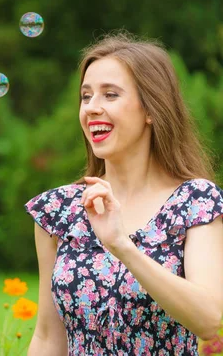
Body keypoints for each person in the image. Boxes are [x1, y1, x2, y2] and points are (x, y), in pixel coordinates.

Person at [24, 32, 223, 355]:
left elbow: (209, 320)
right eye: (86, 97)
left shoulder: (195, 202)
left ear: (151, 109)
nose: (92, 108)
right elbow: (48, 337)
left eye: (110, 95)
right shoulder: (58, 210)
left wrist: (122, 246)